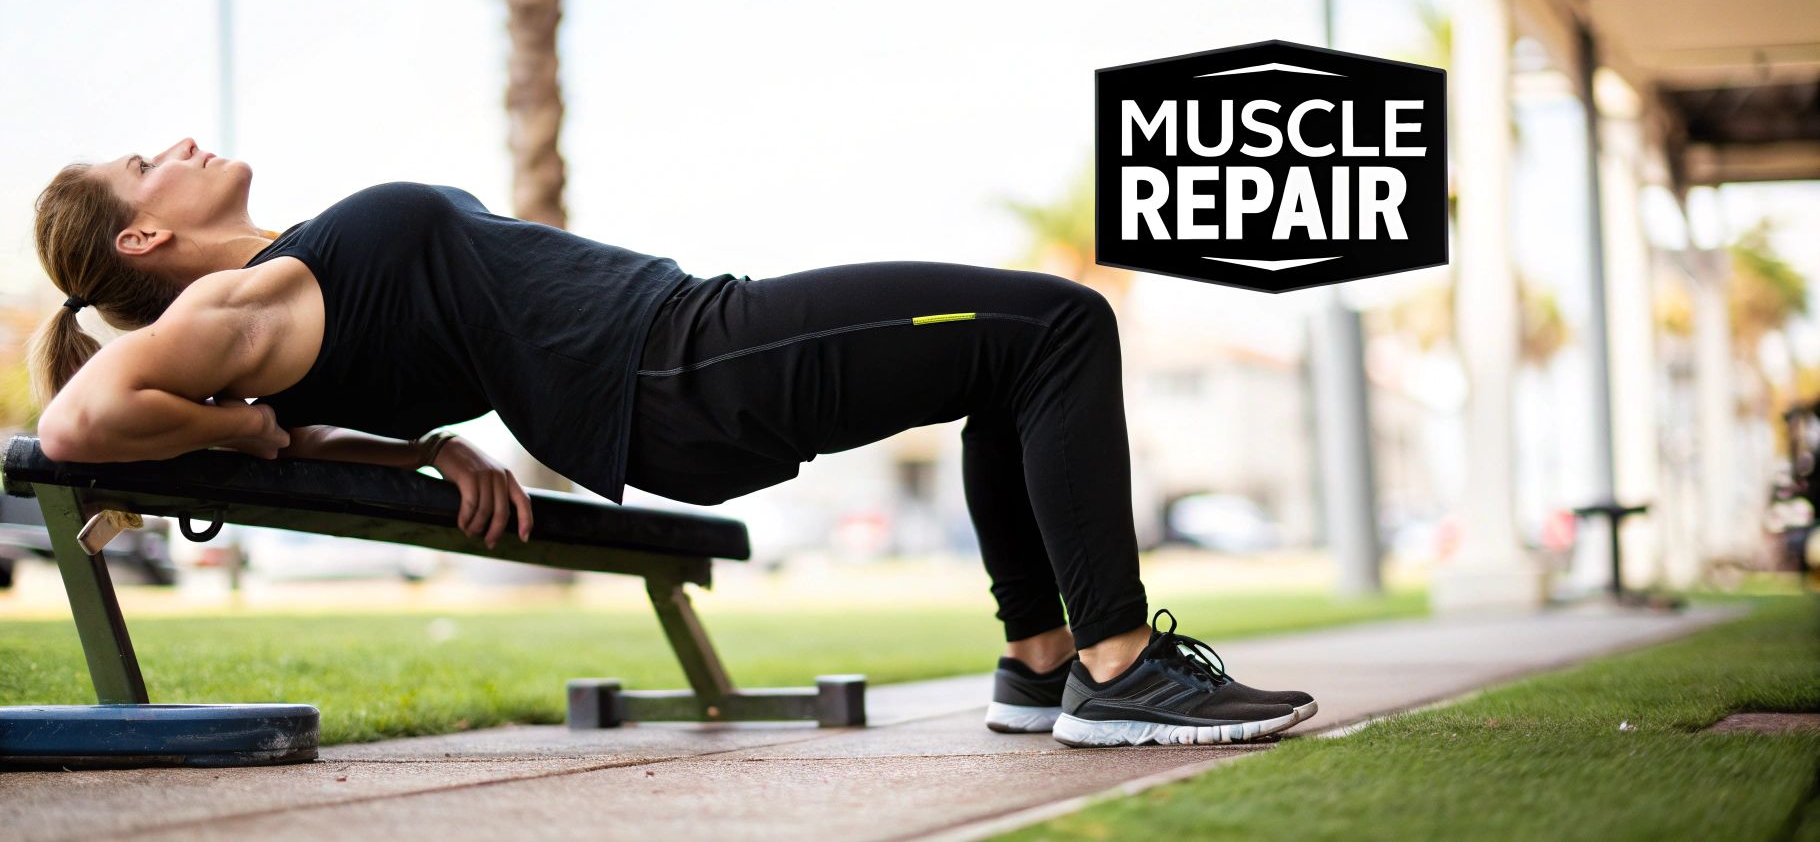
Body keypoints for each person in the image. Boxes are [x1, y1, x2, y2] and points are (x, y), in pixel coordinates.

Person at [27, 137, 1317, 747]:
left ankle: (1044, 665)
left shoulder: (269, 290)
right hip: (680, 362)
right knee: (1059, 326)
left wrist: (427, 455)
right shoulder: (228, 310)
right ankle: (1121, 666)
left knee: (1004, 362)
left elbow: (338, 391)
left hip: (678, 365)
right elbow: (76, 420)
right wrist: (253, 438)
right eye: (148, 164)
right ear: (142, 240)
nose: (181, 146)